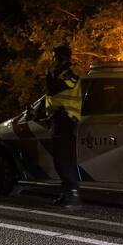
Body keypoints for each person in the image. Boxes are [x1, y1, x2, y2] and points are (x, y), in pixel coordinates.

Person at [45, 45, 82, 206]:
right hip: (59, 119)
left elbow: (55, 89)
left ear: (61, 58)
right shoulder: (59, 73)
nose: (52, 60)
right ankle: (67, 193)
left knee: (63, 159)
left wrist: (49, 76)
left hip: (66, 119)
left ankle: (72, 194)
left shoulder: (69, 74)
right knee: (60, 160)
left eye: (54, 57)